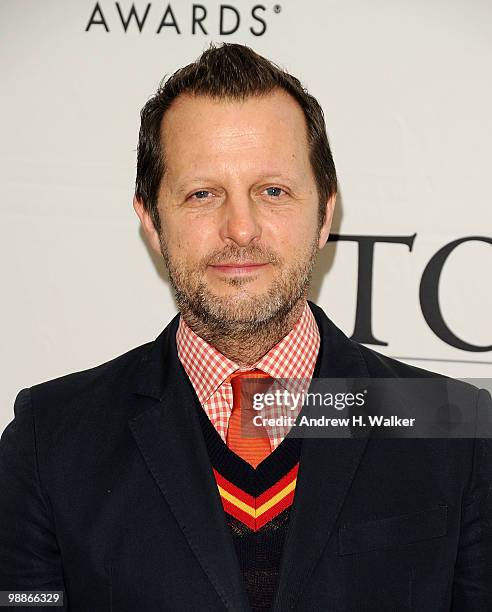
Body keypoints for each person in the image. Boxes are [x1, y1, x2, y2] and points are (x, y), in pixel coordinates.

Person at [0, 43, 491, 612]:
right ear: (151, 222)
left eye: (273, 191)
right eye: (202, 193)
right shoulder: (51, 441)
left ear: (324, 213)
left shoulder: (449, 427)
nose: (240, 228)